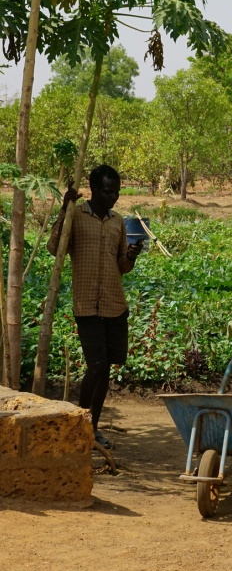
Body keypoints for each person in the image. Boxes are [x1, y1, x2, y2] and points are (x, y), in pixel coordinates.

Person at [47, 165, 143, 450]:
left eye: (117, 191)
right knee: (96, 365)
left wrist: (131, 256)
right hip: (87, 305)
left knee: (106, 369)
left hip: (114, 304)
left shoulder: (118, 222)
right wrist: (65, 208)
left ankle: (93, 428)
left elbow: (121, 267)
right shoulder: (76, 216)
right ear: (93, 189)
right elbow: (55, 247)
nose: (114, 196)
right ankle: (81, 426)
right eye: (108, 190)